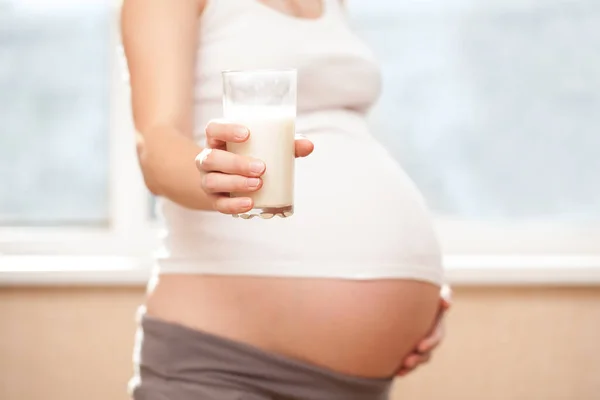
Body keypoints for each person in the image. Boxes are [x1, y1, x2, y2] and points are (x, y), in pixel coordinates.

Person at [121, 0, 451, 399]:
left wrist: (408, 284)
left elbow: (341, 138)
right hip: (224, 368)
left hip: (359, 386)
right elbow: (155, 144)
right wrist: (214, 175)